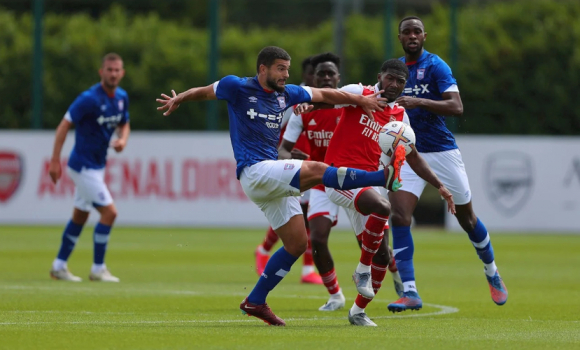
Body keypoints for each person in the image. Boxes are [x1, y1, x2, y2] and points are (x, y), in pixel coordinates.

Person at [156, 46, 405, 326]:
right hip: (254, 170)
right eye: (280, 69)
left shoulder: (287, 94)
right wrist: (179, 99)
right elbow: (203, 91)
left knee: (298, 243)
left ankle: (255, 301)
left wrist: (361, 100)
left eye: (287, 69)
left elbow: (325, 94)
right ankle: (380, 177)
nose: (286, 74)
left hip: (271, 176)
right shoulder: (235, 86)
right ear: (262, 69)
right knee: (318, 168)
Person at [304, 58, 454, 326]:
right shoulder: (360, 93)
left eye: (400, 82)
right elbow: (327, 98)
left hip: (368, 185)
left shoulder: (400, 117)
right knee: (384, 207)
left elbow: (414, 157)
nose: (394, 85)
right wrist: (306, 103)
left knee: (383, 255)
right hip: (339, 178)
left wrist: (440, 186)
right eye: (390, 79)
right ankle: (361, 272)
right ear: (379, 76)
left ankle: (358, 312)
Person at [386, 16, 508, 313]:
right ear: (399, 37)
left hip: (442, 151)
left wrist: (420, 102)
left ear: (424, 36)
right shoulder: (395, 71)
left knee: (466, 219)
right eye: (406, 32)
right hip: (408, 151)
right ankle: (411, 291)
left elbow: (457, 107)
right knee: (399, 216)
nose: (412, 35)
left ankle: (491, 270)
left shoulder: (436, 66)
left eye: (416, 31)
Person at [49, 53, 130, 283]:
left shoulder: (122, 97)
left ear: (122, 73)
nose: (113, 74)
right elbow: (64, 125)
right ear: (101, 72)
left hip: (97, 165)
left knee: (80, 216)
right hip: (82, 166)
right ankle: (98, 268)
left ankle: (59, 266)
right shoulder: (89, 98)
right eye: (109, 69)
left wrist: (123, 140)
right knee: (110, 213)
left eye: (117, 70)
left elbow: (125, 124)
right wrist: (55, 161)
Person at [278, 52, 345, 306]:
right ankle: (335, 295)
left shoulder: (350, 104)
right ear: (312, 79)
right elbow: (283, 148)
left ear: (339, 78)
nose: (326, 77)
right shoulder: (302, 111)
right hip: (321, 182)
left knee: (371, 241)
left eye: (331, 73)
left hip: (354, 178)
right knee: (316, 238)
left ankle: (396, 273)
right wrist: (294, 159)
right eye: (321, 74)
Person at [254, 56, 323, 285]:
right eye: (317, 74)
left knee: (305, 215)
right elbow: (274, 125)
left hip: (309, 158)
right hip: (290, 159)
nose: (321, 79)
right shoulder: (291, 96)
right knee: (301, 215)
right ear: (307, 76)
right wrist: (280, 152)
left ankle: (301, 266)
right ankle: (271, 253)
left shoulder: (322, 98)